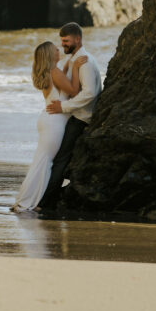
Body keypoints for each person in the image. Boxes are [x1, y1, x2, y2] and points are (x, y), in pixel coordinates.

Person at [13, 40, 87, 212]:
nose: (58, 49)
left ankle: (26, 199)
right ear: (49, 54)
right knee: (46, 162)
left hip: (48, 119)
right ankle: (31, 202)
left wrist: (70, 65)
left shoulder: (50, 72)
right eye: (55, 49)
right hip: (55, 122)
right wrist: (75, 68)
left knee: (42, 160)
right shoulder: (54, 72)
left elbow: (62, 85)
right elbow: (74, 91)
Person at [37, 22, 102, 211]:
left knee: (61, 159)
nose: (63, 44)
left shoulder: (85, 62)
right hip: (73, 116)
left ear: (78, 39)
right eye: (61, 41)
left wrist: (64, 106)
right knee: (60, 159)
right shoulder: (75, 60)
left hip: (81, 118)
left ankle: (46, 201)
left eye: (66, 41)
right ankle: (50, 196)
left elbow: (90, 93)